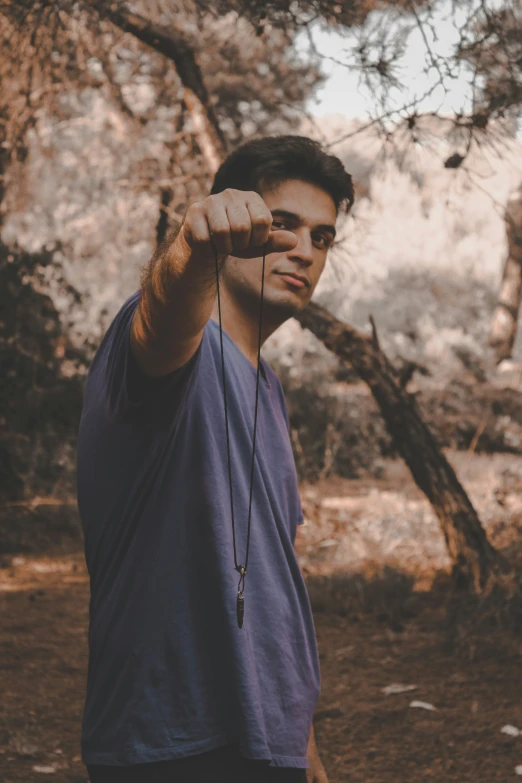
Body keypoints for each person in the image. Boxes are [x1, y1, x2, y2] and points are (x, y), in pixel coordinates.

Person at [77, 134, 354, 783]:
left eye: (322, 237)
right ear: (234, 224)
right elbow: (163, 318)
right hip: (174, 743)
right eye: (282, 224)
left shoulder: (268, 386)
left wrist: (302, 735)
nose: (304, 250)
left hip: (268, 739)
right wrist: (191, 248)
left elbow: (270, 573)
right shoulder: (170, 350)